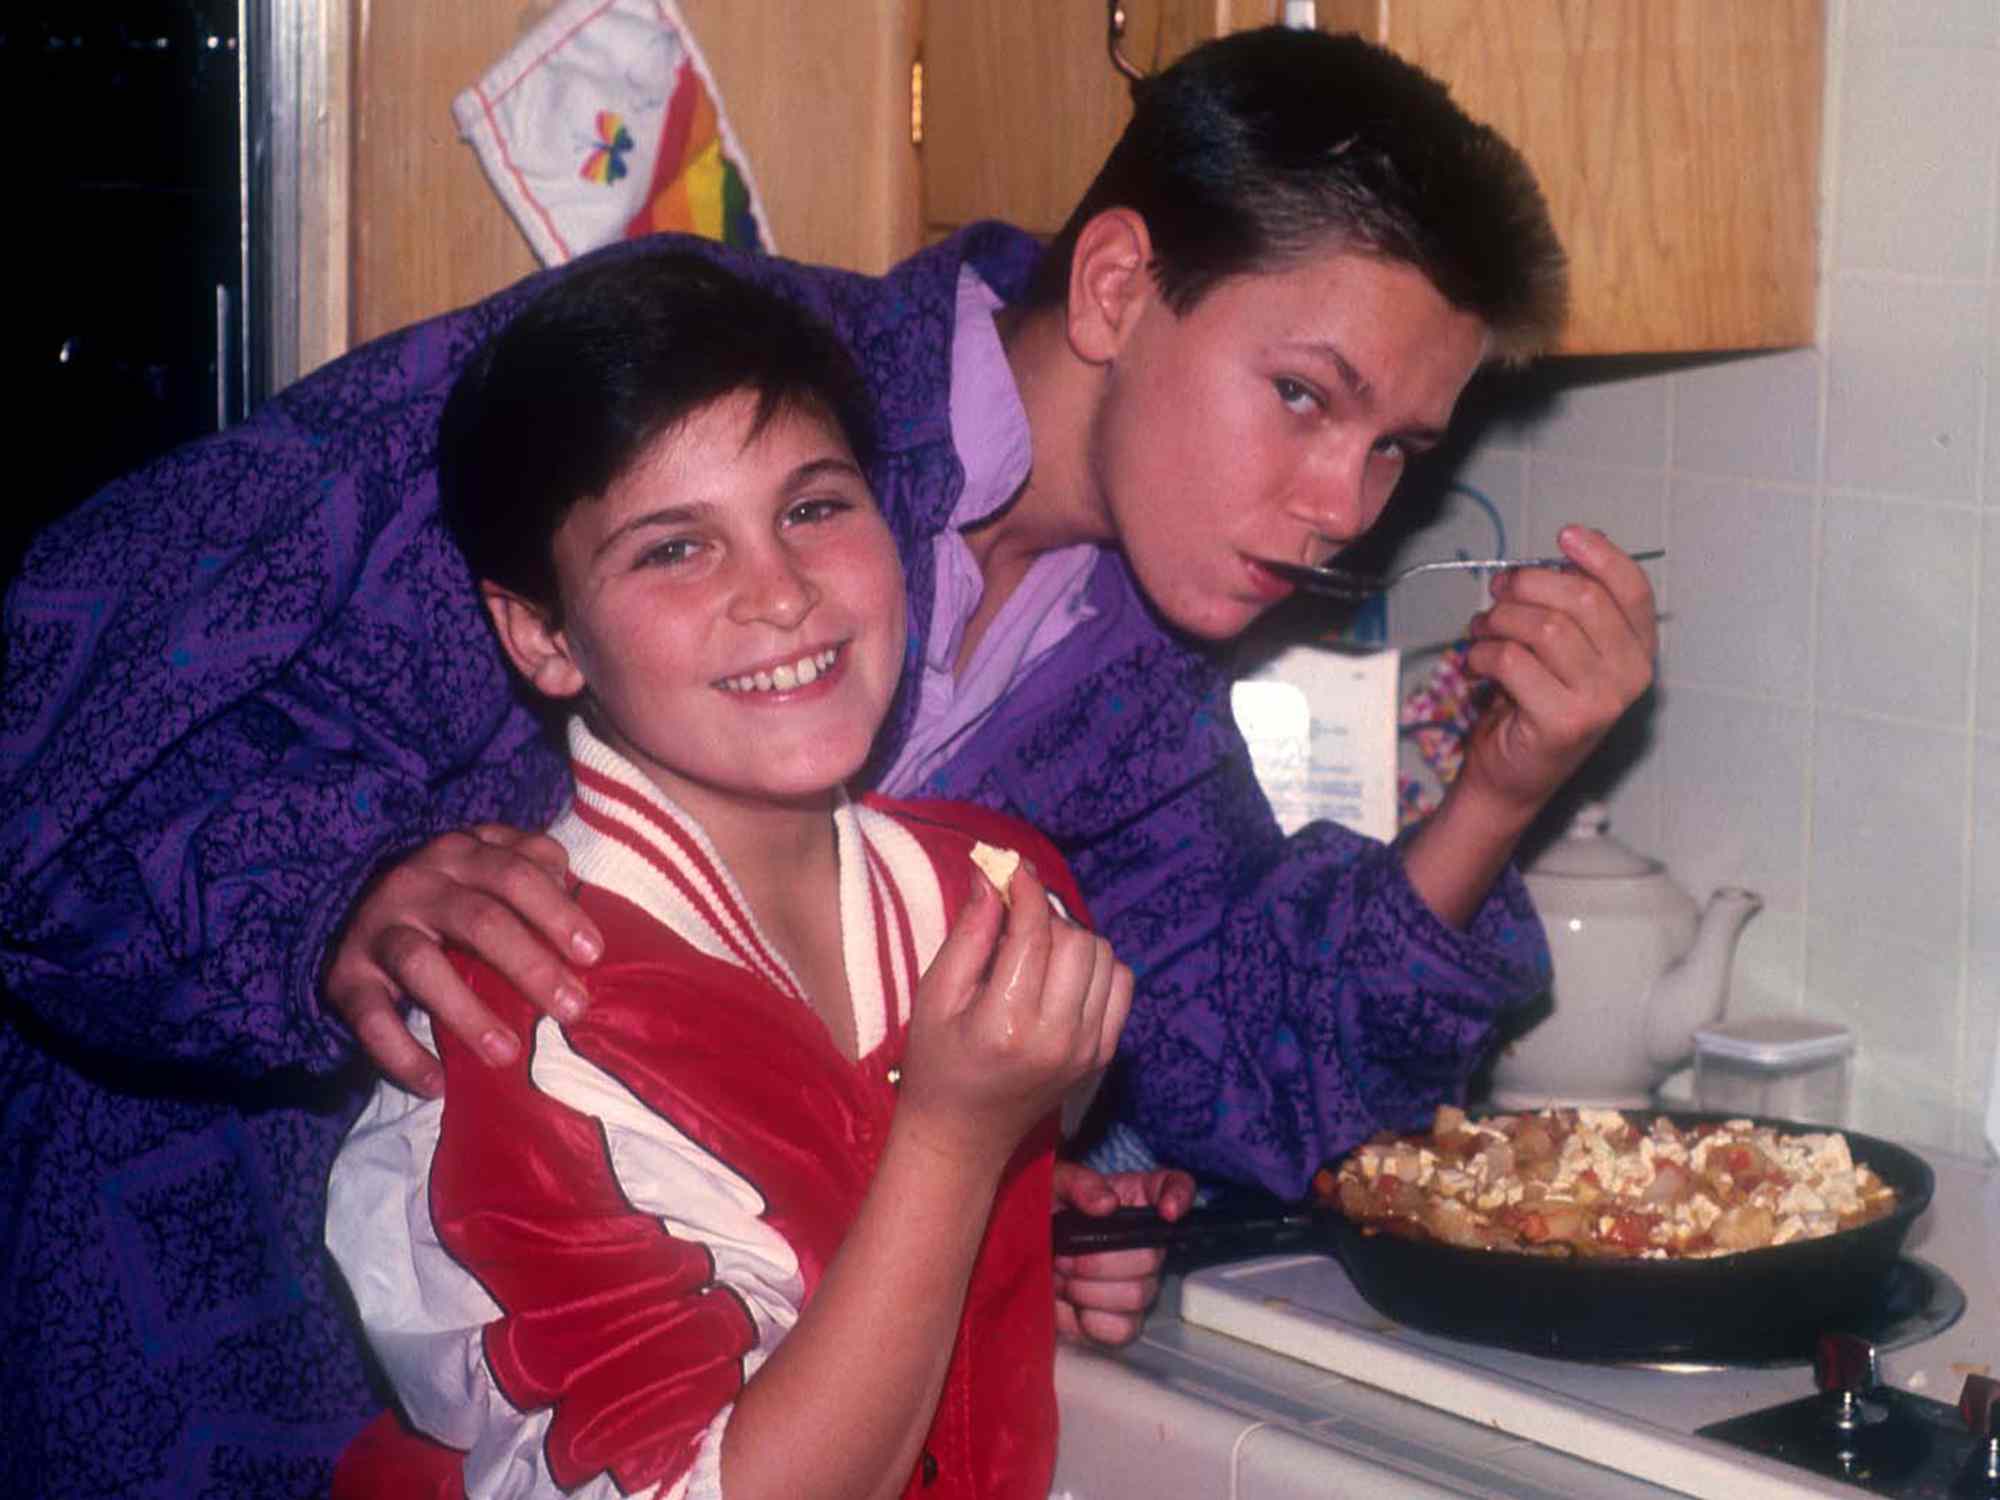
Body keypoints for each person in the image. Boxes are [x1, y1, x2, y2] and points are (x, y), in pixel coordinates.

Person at [0, 27, 1654, 1497]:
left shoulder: (1131, 688)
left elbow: (1233, 1068)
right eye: (1305, 397)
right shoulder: (703, 374)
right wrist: (321, 898)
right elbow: (72, 678)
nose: (1346, 506)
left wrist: (1499, 792)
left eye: (1395, 452)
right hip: (208, 1326)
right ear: (1116, 289)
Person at [325, 246, 1174, 1499]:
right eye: (674, 549)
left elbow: (835, 1240)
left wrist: (1023, 1228)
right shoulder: (500, 1040)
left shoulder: (996, 903)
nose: (778, 594)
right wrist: (952, 1149)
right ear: (542, 635)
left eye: (814, 507)